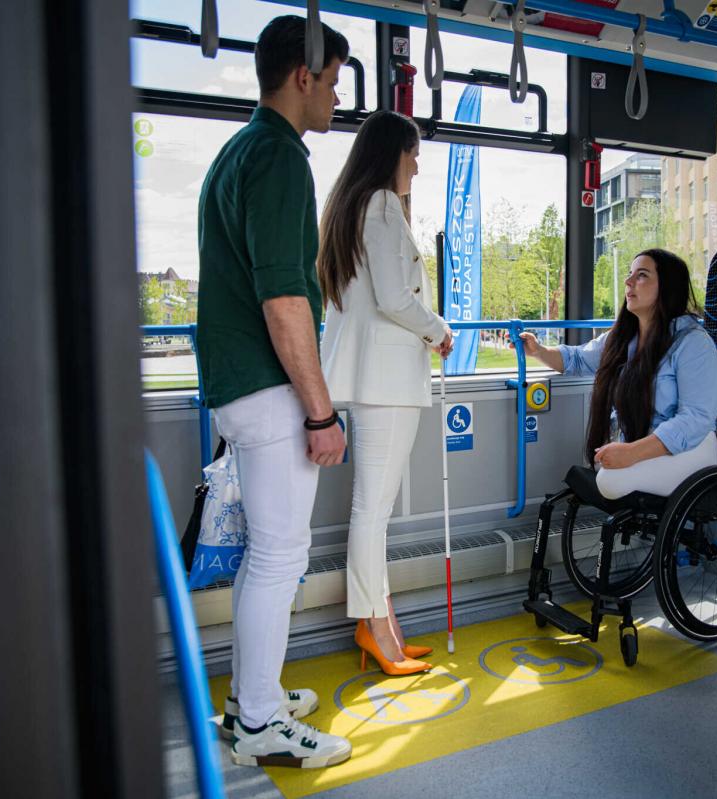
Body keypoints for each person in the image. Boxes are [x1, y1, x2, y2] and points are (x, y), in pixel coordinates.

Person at [196, 15, 352, 769]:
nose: (333, 99)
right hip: (269, 388)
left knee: (269, 554)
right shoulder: (282, 158)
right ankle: (257, 720)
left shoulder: (236, 153)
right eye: (332, 83)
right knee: (279, 557)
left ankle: (249, 695)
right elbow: (286, 299)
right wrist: (320, 411)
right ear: (303, 77)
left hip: (235, 383)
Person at [318, 110, 453, 676]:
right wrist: (439, 329)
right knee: (372, 512)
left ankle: (383, 622)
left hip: (380, 379)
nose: (417, 165)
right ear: (390, 152)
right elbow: (396, 298)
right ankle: (376, 630)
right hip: (387, 382)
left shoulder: (360, 207)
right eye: (413, 153)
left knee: (373, 510)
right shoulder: (378, 207)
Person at [515, 249, 717, 498]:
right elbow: (577, 359)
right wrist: (537, 350)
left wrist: (632, 453)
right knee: (604, 472)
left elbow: (695, 419)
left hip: (693, 449)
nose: (628, 282)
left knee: (609, 480)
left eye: (642, 275)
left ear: (667, 287)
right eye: (629, 274)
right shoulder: (625, 338)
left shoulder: (693, 344)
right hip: (646, 446)